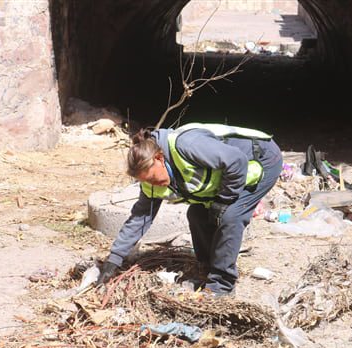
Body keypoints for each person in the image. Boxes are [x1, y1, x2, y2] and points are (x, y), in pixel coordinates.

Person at [97, 123, 283, 296]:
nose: (154, 185)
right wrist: (114, 260)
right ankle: (206, 268)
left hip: (262, 160)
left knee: (230, 216)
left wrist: (223, 201)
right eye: (147, 181)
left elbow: (237, 162)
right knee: (197, 214)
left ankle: (222, 285)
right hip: (231, 173)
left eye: (154, 178)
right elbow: (139, 218)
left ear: (159, 158)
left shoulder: (188, 146)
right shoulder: (151, 180)